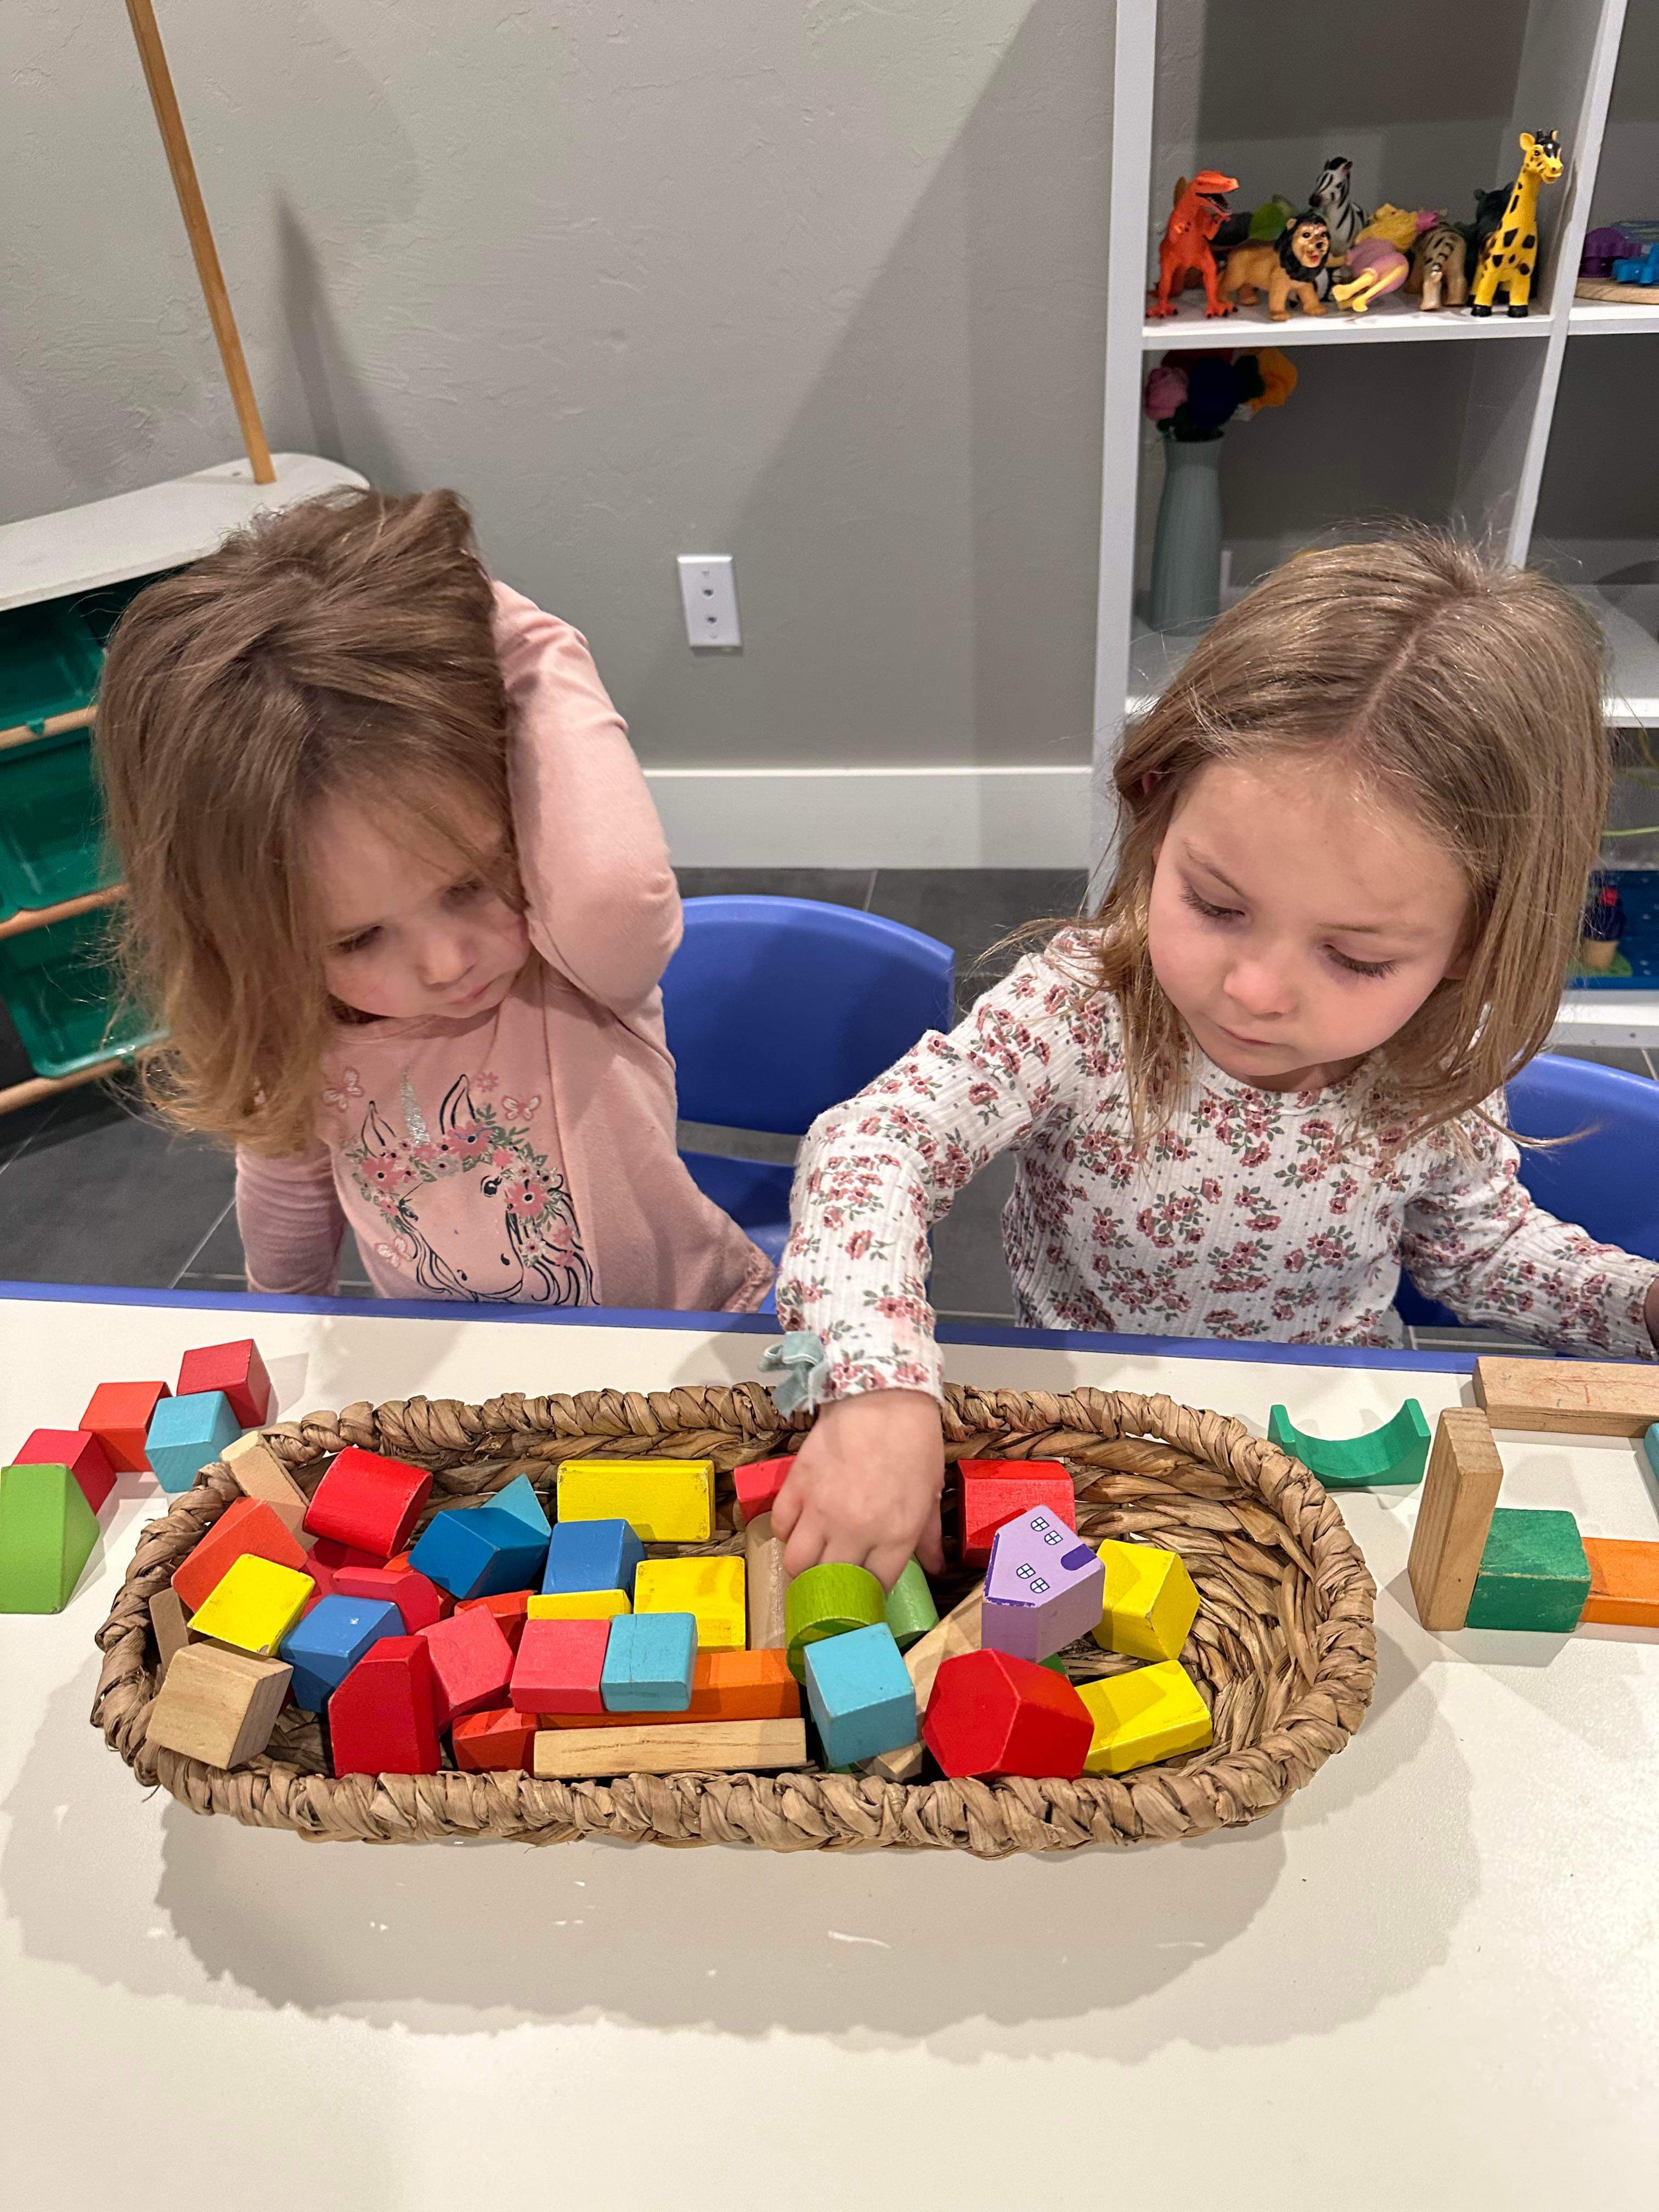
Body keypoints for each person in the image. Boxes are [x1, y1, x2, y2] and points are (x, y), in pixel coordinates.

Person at [771, 532, 1659, 1585]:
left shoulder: (1434, 1060)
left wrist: (1639, 1306)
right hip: (1095, 1444)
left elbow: (1480, 1253)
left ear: (1473, 943)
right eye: (1217, 904)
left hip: (1330, 1461)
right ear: (1158, 811)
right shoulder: (1083, 1010)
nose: (1256, 991)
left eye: (1355, 958)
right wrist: (875, 1387)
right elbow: (877, 1143)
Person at [96, 487, 771, 1313]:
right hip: (476, 1377)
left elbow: (617, 895)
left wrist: (520, 634)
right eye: (356, 939)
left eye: (468, 884)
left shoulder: (572, 964)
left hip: (685, 1331)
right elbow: (286, 1210)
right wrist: (279, 1328)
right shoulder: (294, 1032)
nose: (448, 962)